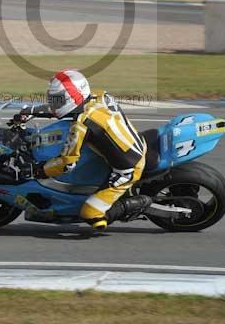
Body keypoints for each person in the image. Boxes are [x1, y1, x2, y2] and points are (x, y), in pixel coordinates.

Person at [11, 69, 152, 233]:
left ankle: (138, 203)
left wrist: (37, 170)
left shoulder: (82, 125)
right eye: (52, 99)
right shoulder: (99, 96)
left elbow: (66, 163)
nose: (54, 103)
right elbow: (64, 109)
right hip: (132, 142)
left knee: (91, 214)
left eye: (58, 99)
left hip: (128, 168)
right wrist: (31, 111)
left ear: (73, 96)